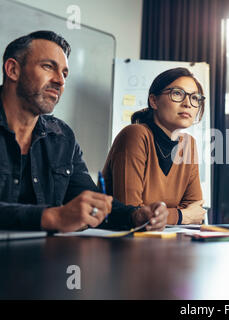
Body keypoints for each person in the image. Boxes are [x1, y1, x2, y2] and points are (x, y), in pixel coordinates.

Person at [0, 31, 168, 232]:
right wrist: (51, 217)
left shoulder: (62, 137)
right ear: (12, 70)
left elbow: (93, 203)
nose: (60, 81)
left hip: (43, 257)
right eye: (48, 66)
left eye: (64, 73)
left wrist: (135, 215)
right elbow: (55, 218)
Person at [102, 67, 206, 225]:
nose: (188, 104)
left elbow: (196, 212)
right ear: (154, 101)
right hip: (123, 243)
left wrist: (178, 215)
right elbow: (133, 213)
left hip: (167, 241)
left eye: (195, 98)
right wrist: (181, 215)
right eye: (177, 93)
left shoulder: (188, 144)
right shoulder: (135, 135)